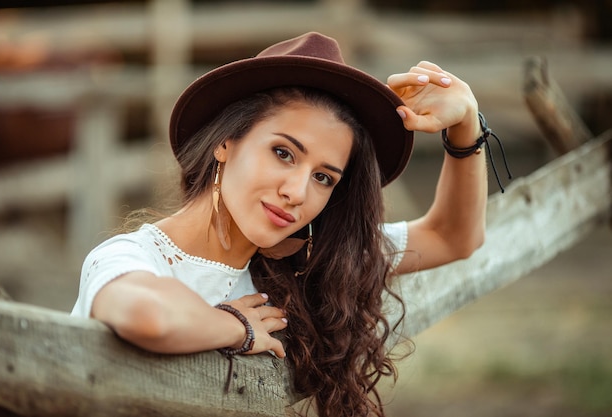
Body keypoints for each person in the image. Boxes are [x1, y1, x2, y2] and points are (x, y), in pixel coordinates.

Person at [71, 32, 497, 417]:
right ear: (225, 142)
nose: (297, 192)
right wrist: (235, 326)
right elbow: (147, 317)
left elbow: (453, 236)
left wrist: (465, 126)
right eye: (284, 153)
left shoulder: (304, 262)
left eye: (323, 177)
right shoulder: (131, 256)